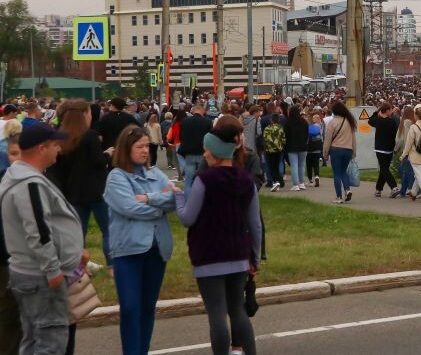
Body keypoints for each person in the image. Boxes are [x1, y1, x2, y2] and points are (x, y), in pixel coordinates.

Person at [175, 125, 261, 355]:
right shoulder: (246, 180)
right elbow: (255, 224)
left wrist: (178, 196)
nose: (203, 154)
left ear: (214, 151)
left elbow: (187, 218)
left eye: (206, 150)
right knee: (237, 310)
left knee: (216, 315)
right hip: (238, 254)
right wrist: (254, 256)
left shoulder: (205, 180)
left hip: (208, 254)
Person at [0, 123, 85, 355]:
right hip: (40, 276)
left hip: (27, 272)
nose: (59, 149)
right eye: (55, 144)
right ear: (41, 148)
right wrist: (53, 270)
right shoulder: (29, 184)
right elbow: (38, 230)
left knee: (32, 338)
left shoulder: (19, 177)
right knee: (50, 340)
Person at [103, 125, 177, 355]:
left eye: (147, 146)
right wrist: (158, 207)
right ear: (127, 148)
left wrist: (148, 197)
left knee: (147, 308)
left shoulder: (156, 174)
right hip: (128, 251)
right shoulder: (116, 177)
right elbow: (128, 207)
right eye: (140, 146)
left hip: (157, 250)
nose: (145, 151)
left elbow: (175, 199)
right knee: (130, 308)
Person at [46, 100, 115, 276]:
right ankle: (112, 265)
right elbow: (98, 162)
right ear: (83, 115)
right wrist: (107, 154)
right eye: (89, 113)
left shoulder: (59, 138)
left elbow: (57, 168)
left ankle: (80, 267)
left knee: (78, 232)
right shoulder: (90, 136)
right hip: (97, 191)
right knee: (107, 229)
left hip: (73, 192)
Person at [0, 130, 23, 354]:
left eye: (20, 153)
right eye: (12, 153)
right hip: (6, 257)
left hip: (19, 258)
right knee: (8, 317)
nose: (15, 158)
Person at [322, 101, 357, 204]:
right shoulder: (349, 122)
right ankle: (347, 190)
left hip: (336, 150)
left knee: (337, 173)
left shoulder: (333, 122)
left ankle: (339, 197)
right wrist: (354, 152)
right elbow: (353, 138)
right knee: (343, 171)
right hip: (348, 150)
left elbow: (328, 139)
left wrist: (325, 153)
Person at [399, 104, 421, 203]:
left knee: (419, 176)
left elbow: (408, 143)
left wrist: (403, 155)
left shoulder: (413, 127)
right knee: (419, 174)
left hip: (415, 155)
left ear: (415, 115)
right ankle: (413, 193)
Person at [178, 103, 213, 196]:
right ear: (203, 111)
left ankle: (189, 204)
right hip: (203, 154)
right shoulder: (208, 122)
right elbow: (211, 138)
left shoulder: (184, 121)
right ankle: (202, 202)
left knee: (188, 182)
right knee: (204, 181)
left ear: (193, 111)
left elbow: (181, 137)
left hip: (189, 154)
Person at [368, 103, 400, 198]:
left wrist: (377, 111)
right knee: (384, 168)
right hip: (389, 148)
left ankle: (393, 187)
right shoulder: (392, 122)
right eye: (390, 110)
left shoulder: (378, 121)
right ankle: (379, 189)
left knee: (384, 169)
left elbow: (370, 121)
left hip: (380, 149)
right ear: (386, 111)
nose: (392, 111)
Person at [283, 106, 309, 191]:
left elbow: (285, 135)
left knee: (294, 165)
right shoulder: (304, 122)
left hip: (291, 146)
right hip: (303, 146)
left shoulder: (288, 122)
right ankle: (301, 183)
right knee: (301, 165)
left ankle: (295, 184)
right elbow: (306, 134)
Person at [263, 114, 286, 192]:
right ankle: (280, 180)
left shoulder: (267, 128)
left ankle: (277, 180)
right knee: (277, 164)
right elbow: (283, 139)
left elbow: (265, 139)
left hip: (269, 150)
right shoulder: (280, 128)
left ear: (271, 120)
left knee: (272, 166)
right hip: (278, 149)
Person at [306, 114, 324, 187]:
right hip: (317, 148)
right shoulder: (320, 126)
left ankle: (310, 180)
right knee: (316, 164)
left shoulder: (308, 128)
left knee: (309, 165)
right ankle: (317, 176)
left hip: (309, 149)